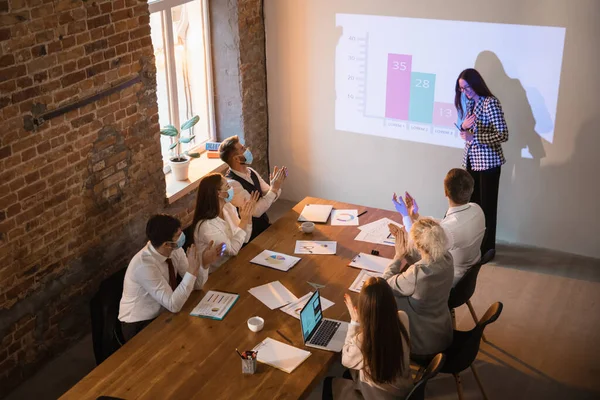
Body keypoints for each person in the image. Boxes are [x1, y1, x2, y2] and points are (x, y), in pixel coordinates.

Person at [118, 214, 224, 341]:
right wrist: (192, 271)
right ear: (166, 244)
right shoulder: (144, 266)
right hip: (140, 324)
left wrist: (204, 264)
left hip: (165, 311)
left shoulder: (175, 249)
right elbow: (174, 305)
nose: (182, 237)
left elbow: (197, 285)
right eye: (178, 235)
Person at [322, 277, 413, 400]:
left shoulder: (364, 340)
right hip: (403, 389)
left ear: (364, 308)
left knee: (329, 382)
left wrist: (354, 322)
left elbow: (346, 359)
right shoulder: (402, 317)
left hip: (380, 395)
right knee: (349, 374)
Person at [392, 168, 485, 285]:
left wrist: (406, 216)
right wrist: (415, 216)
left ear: (446, 193)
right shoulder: (476, 208)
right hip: (467, 271)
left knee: (406, 249)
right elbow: (441, 225)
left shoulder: (450, 231)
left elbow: (418, 245)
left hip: (449, 280)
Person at [455, 68, 508, 257]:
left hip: (489, 164)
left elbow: (503, 135)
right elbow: (468, 129)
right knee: (474, 207)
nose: (465, 92)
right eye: (461, 89)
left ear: (476, 83)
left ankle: (488, 249)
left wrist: (474, 136)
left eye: (467, 87)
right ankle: (476, 246)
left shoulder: (490, 103)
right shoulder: (471, 104)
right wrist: (462, 128)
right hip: (472, 161)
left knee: (487, 208)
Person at [383, 219, 454, 357]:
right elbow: (427, 261)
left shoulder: (416, 274)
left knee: (382, 301)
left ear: (418, 245)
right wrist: (406, 251)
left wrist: (398, 256)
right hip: (442, 333)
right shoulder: (447, 257)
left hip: (422, 344)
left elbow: (385, 284)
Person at [218, 135, 288, 241]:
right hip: (249, 236)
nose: (247, 150)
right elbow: (256, 211)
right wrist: (274, 189)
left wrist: (274, 187)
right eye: (242, 149)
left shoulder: (250, 171)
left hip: (264, 226)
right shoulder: (232, 184)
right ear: (236, 158)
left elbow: (270, 196)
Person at [192, 173, 258, 273]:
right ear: (219, 193)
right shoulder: (207, 226)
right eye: (227, 186)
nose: (231, 189)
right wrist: (243, 220)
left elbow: (244, 239)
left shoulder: (228, 207)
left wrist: (247, 216)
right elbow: (232, 250)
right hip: (217, 274)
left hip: (234, 264)